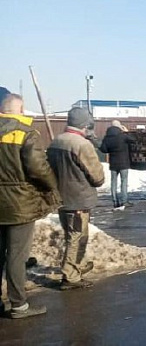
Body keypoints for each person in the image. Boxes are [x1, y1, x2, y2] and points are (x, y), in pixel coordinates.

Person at [0, 94, 60, 318]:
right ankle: (18, 305)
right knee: (16, 255)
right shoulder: (25, 134)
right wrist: (52, 184)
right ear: (20, 109)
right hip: (19, 204)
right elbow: (38, 168)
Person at [47, 107, 105, 290]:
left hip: (62, 197)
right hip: (78, 198)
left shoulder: (56, 141)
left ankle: (77, 264)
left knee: (72, 234)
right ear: (84, 125)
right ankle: (71, 275)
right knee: (77, 237)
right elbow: (97, 177)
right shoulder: (81, 145)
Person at [100, 120, 135, 209]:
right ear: (119, 127)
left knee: (113, 183)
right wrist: (127, 132)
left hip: (113, 163)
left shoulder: (107, 137)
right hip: (123, 163)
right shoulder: (123, 136)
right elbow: (133, 139)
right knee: (124, 182)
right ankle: (124, 201)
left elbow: (104, 150)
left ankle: (115, 201)